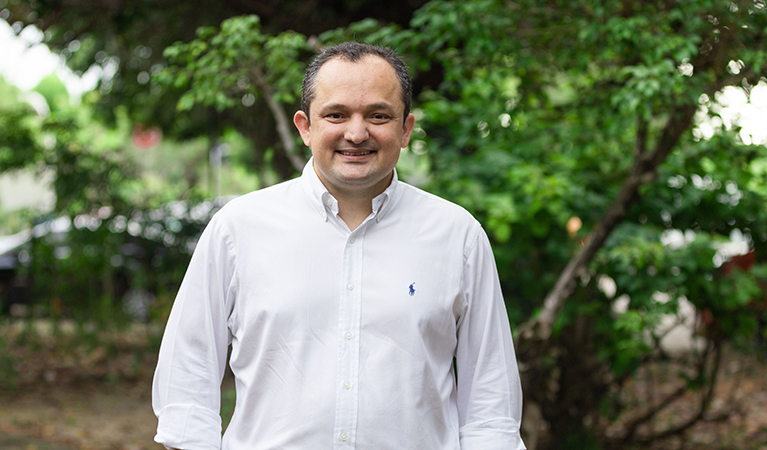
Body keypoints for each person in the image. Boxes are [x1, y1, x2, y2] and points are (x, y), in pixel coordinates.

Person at [152, 42, 525, 450]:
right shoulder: (237, 230)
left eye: (378, 115)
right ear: (305, 126)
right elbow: (185, 384)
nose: (356, 132)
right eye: (336, 114)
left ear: (405, 129)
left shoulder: (458, 237)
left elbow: (492, 405)